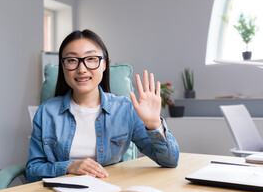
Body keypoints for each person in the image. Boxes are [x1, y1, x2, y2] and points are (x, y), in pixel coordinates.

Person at [26, 29, 179, 182]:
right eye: (72, 60)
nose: (82, 69)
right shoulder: (46, 112)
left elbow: (170, 161)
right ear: (63, 66)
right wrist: (69, 167)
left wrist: (154, 125)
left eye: (91, 58)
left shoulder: (124, 109)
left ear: (104, 64)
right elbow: (33, 170)